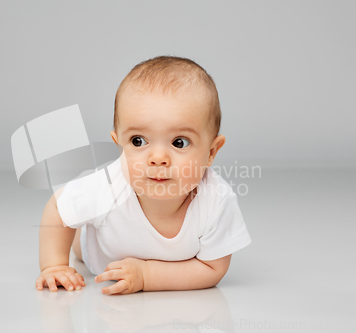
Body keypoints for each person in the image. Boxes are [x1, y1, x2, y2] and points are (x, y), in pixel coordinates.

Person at [35, 55, 252, 295]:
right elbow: (59, 208)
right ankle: (83, 236)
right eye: (138, 141)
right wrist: (54, 265)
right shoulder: (109, 185)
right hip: (96, 249)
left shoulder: (216, 200)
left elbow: (213, 268)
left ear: (211, 152)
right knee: (79, 231)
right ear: (119, 145)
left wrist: (147, 276)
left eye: (179, 142)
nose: (158, 158)